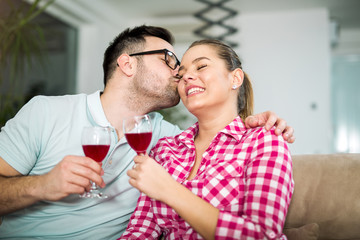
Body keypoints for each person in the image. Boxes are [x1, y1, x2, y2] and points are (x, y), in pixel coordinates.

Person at [0, 25, 294, 239]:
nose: (181, 73)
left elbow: (219, 131)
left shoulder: (163, 139)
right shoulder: (46, 113)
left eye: (190, 67)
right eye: (170, 61)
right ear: (127, 64)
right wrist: (41, 185)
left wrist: (260, 121)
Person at [120, 39, 294, 239]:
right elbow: (140, 231)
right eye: (181, 74)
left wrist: (170, 190)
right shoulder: (165, 149)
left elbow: (262, 235)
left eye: (201, 66)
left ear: (235, 78)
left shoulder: (264, 141)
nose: (187, 77)